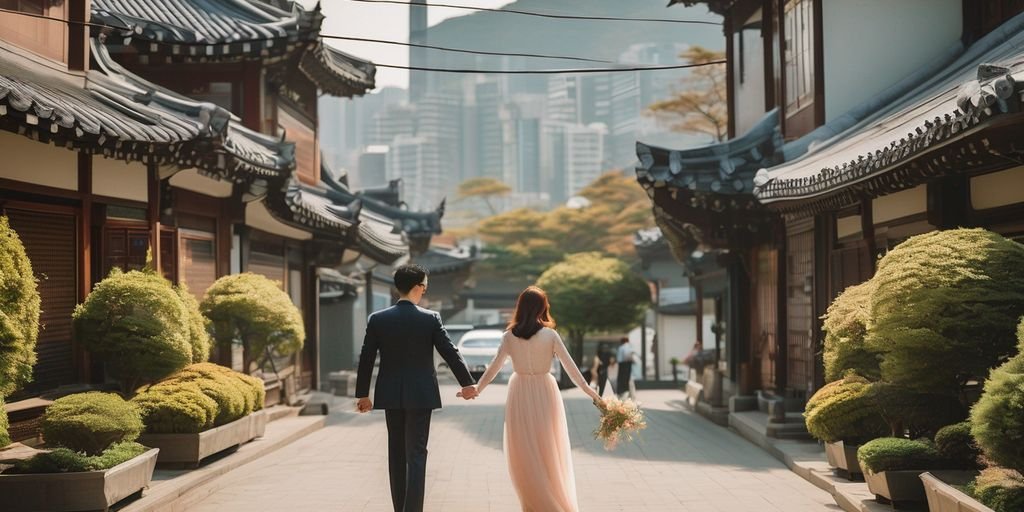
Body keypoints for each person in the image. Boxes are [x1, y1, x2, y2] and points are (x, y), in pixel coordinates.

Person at [462, 286, 603, 512]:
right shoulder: (550, 335)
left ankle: (533, 504)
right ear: (542, 307)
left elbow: (494, 367)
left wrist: (477, 388)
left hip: (519, 391)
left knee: (524, 450)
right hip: (545, 390)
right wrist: (595, 396)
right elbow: (573, 371)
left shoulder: (509, 336)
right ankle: (550, 502)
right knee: (548, 446)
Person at [354, 264, 478, 512]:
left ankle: (400, 508)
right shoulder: (430, 319)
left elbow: (366, 357)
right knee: (417, 453)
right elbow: (449, 352)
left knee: (396, 452)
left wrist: (362, 395)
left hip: (390, 393)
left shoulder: (378, 319)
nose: (425, 290)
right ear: (417, 287)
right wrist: (467, 384)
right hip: (421, 394)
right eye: (425, 286)